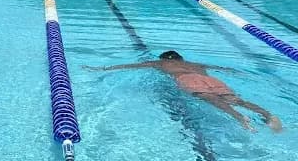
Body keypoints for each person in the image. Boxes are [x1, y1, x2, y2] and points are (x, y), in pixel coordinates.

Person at [88, 51, 282, 132]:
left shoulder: (160, 63)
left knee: (211, 99)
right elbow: (226, 70)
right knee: (236, 99)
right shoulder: (196, 63)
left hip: (188, 81)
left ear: (166, 59)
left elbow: (130, 66)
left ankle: (240, 119)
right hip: (211, 79)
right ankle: (267, 115)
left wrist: (103, 69)